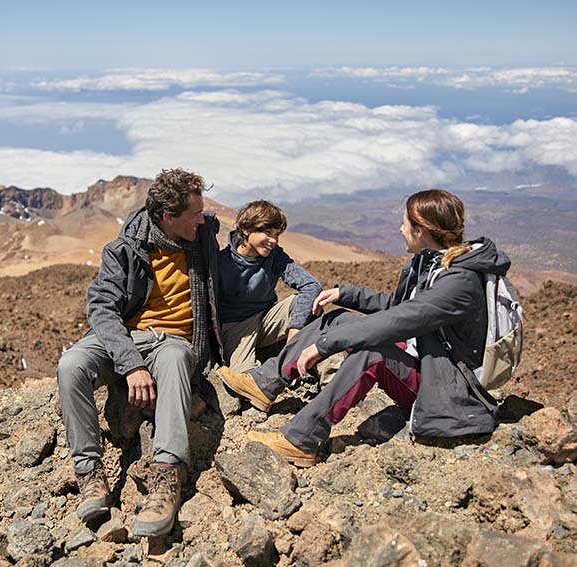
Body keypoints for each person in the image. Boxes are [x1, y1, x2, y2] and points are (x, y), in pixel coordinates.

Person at [219, 189, 508, 466]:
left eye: (405, 223)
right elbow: (398, 305)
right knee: (336, 318)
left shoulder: (458, 282)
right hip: (428, 365)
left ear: (420, 229)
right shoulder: (433, 264)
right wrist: (345, 294)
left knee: (372, 354)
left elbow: (399, 320)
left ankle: (301, 439)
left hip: (446, 389)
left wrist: (324, 345)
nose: (401, 230)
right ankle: (264, 382)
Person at [56, 168, 222, 537]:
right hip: (128, 337)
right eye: (195, 213)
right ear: (167, 216)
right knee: (71, 365)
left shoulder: (204, 235)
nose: (203, 219)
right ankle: (89, 473)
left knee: (176, 359)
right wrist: (131, 364)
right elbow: (101, 307)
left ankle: (167, 477)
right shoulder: (126, 248)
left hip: (173, 342)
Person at [218, 200, 322, 377]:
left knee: (311, 304)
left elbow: (311, 285)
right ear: (245, 229)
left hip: (267, 319)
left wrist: (295, 329)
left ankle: (328, 375)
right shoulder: (221, 262)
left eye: (277, 234)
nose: (273, 241)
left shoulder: (275, 256)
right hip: (235, 328)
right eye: (267, 233)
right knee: (244, 377)